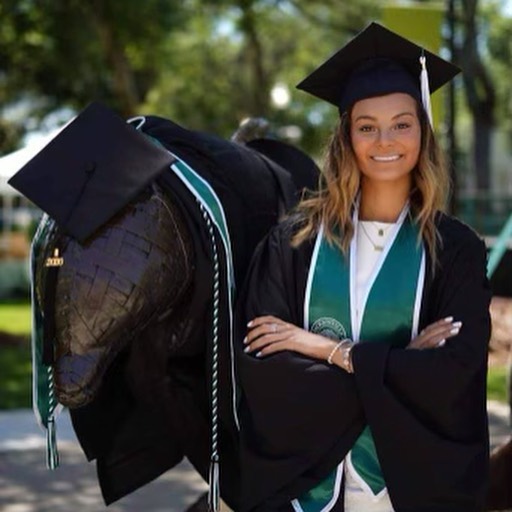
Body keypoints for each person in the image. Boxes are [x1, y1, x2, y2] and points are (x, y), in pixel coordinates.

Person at [236, 22, 491, 512]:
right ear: (347, 137)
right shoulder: (294, 243)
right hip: (306, 487)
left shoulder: (455, 250)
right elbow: (265, 367)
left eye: (402, 124)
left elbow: (452, 374)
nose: (385, 140)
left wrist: (324, 349)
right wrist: (396, 367)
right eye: (367, 126)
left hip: (405, 489)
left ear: (423, 132)